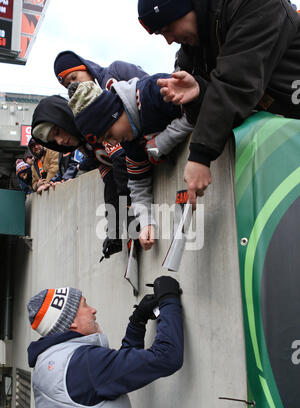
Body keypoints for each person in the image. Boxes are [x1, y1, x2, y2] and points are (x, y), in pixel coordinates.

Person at [137, 0, 300, 207]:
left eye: (168, 29)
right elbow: (207, 112)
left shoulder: (254, 4)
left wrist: (200, 154)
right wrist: (199, 92)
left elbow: (236, 83)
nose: (169, 40)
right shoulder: (192, 50)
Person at [54, 50, 193, 250]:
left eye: (109, 135)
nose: (113, 142)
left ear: (111, 115)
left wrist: (161, 143)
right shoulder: (130, 141)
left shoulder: (153, 92)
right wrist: (146, 223)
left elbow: (203, 103)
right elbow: (137, 183)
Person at [27, 276, 183, 408]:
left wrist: (137, 322)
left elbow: (118, 374)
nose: (93, 310)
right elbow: (166, 357)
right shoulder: (85, 362)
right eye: (85, 305)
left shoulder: (47, 362)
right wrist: (169, 299)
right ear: (70, 322)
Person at [31, 95, 130, 259]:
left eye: (57, 131)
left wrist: (127, 209)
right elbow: (110, 180)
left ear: (65, 118)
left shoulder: (94, 122)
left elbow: (121, 163)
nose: (60, 141)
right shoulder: (85, 144)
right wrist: (114, 231)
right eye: (53, 140)